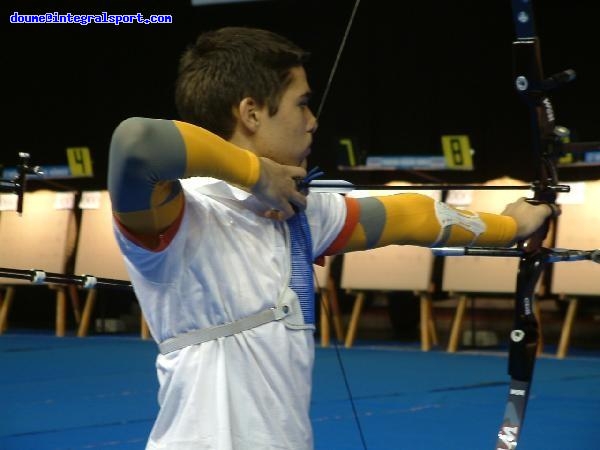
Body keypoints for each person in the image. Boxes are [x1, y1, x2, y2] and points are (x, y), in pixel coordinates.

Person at [107, 26, 554, 450]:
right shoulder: (178, 212)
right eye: (301, 104)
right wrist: (257, 174)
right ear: (251, 113)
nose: (313, 120)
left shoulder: (298, 213)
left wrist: (511, 226)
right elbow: (138, 141)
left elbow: (410, 214)